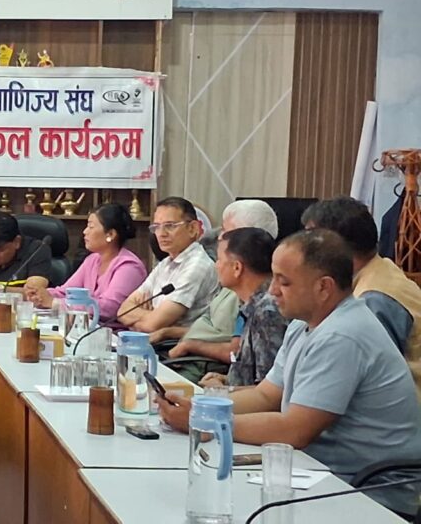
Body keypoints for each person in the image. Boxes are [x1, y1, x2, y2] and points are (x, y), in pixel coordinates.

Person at [157, 230, 421, 517]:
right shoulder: (303, 324)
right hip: (322, 474)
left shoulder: (343, 335)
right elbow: (266, 395)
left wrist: (207, 424)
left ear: (324, 287)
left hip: (370, 493)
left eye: (284, 282)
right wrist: (200, 407)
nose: (272, 291)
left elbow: (295, 430)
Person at [301, 196, 421, 396]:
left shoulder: (373, 299)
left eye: (311, 242)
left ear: (336, 247)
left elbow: (367, 376)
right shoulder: (381, 268)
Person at [168, 228, 288, 387]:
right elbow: (251, 375)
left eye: (219, 260)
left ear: (237, 268)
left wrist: (224, 390)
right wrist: (226, 379)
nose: (216, 266)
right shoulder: (250, 305)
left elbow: (268, 390)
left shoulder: (267, 312)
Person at [24, 203, 146, 325]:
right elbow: (65, 292)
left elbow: (109, 308)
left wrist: (54, 302)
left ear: (110, 234)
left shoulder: (129, 267)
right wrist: (40, 294)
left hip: (113, 333)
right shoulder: (92, 260)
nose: (84, 232)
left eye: (91, 227)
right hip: (85, 329)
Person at [117, 197, 218, 333]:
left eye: (170, 226)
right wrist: (153, 316)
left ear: (192, 228)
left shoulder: (197, 265)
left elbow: (151, 325)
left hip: (176, 344)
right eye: (156, 227)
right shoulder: (165, 263)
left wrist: (146, 317)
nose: (161, 234)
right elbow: (122, 312)